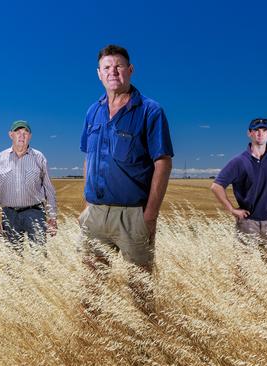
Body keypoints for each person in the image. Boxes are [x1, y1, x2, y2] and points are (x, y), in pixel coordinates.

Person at [79, 45, 174, 314]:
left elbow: (163, 163)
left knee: (140, 289)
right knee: (91, 288)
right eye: (107, 67)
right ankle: (90, 344)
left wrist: (150, 214)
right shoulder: (92, 112)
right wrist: (86, 205)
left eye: (119, 66)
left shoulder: (149, 111)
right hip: (97, 214)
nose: (113, 71)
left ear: (130, 70)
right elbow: (88, 158)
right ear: (99, 74)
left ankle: (144, 347)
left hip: (133, 215)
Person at [210, 118, 267, 260]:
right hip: (247, 222)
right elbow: (216, 186)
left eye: (264, 130)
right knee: (244, 269)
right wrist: (232, 209)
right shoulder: (238, 161)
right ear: (249, 133)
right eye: (256, 130)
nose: (260, 134)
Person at [0, 120, 58, 251]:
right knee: (13, 260)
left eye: (25, 133)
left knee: (39, 256)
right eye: (18, 132)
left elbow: (49, 190)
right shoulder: (0, 158)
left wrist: (52, 218)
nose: (21, 136)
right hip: (9, 215)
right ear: (10, 135)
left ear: (30, 136)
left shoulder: (39, 157)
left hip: (35, 212)